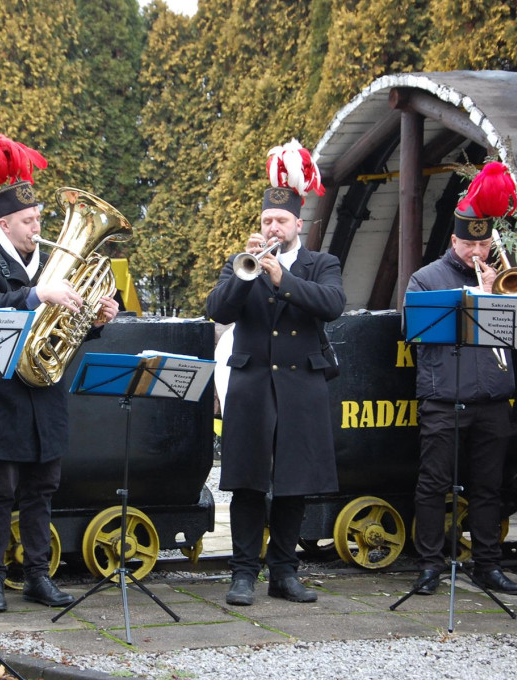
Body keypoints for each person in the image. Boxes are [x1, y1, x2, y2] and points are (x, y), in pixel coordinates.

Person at [0, 134, 119, 613]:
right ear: (4, 223)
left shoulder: (56, 268)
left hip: (45, 395)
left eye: (39, 219)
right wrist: (36, 295)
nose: (38, 227)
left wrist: (93, 320)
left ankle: (37, 576)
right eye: (29, 221)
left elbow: (62, 333)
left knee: (41, 491)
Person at [206, 140, 345, 606]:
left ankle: (284, 572)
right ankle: (243, 573)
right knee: (247, 482)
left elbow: (333, 306)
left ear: (298, 225)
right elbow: (216, 309)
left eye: (281, 221)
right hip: (250, 387)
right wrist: (244, 275)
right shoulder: (241, 265)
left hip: (301, 386)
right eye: (267, 220)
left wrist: (284, 281)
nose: (272, 226)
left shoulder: (320, 264)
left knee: (293, 484)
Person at [405, 162, 517, 597]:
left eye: (484, 242)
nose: (477, 251)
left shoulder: (503, 280)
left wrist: (502, 291)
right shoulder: (427, 280)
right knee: (433, 484)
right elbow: (412, 330)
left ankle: (487, 565)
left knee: (488, 486)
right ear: (454, 240)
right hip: (444, 398)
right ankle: (428, 565)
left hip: (494, 399)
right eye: (469, 243)